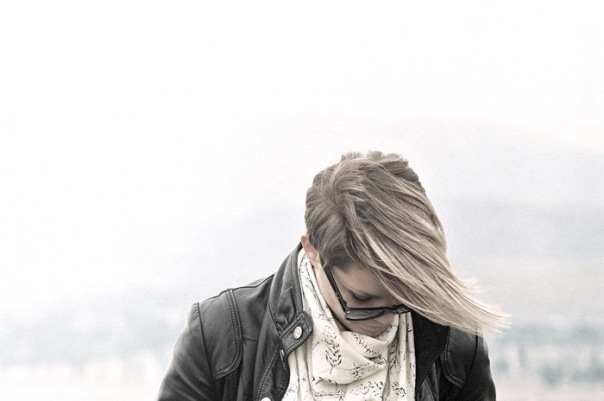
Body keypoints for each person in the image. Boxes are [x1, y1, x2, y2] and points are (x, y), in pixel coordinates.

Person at [157, 150, 507, 401]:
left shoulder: (456, 347)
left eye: (405, 300)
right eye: (363, 300)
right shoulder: (221, 335)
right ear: (313, 250)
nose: (387, 320)